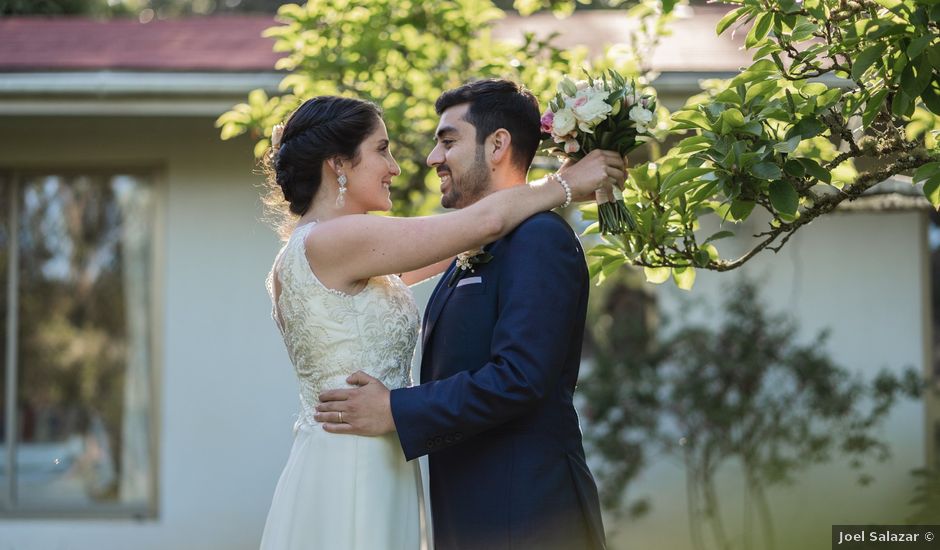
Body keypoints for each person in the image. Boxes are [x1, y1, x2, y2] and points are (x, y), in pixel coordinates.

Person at [258, 91, 623, 550]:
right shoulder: (338, 240)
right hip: (354, 464)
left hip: (377, 458)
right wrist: (566, 183)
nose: (396, 165)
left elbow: (470, 236)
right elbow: (482, 225)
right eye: (382, 149)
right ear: (339, 165)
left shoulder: (334, 251)